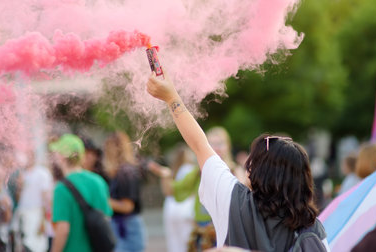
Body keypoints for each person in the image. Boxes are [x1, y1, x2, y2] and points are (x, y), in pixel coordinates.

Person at [146, 72, 330, 251]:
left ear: (259, 172)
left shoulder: (232, 200)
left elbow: (199, 144)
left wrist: (171, 97)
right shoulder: (312, 228)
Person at [49, 134, 112, 252]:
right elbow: (107, 218)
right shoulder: (98, 182)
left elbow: (63, 230)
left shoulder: (61, 189)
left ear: (61, 157)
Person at [102, 131, 145, 252]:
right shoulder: (121, 172)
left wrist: (104, 200)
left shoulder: (126, 172)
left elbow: (127, 206)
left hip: (128, 227)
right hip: (123, 226)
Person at [18, 152, 53, 252]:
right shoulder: (23, 173)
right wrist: (20, 187)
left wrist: (43, 220)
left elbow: (46, 198)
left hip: (37, 215)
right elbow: (20, 198)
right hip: (24, 215)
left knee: (38, 247)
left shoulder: (42, 173)